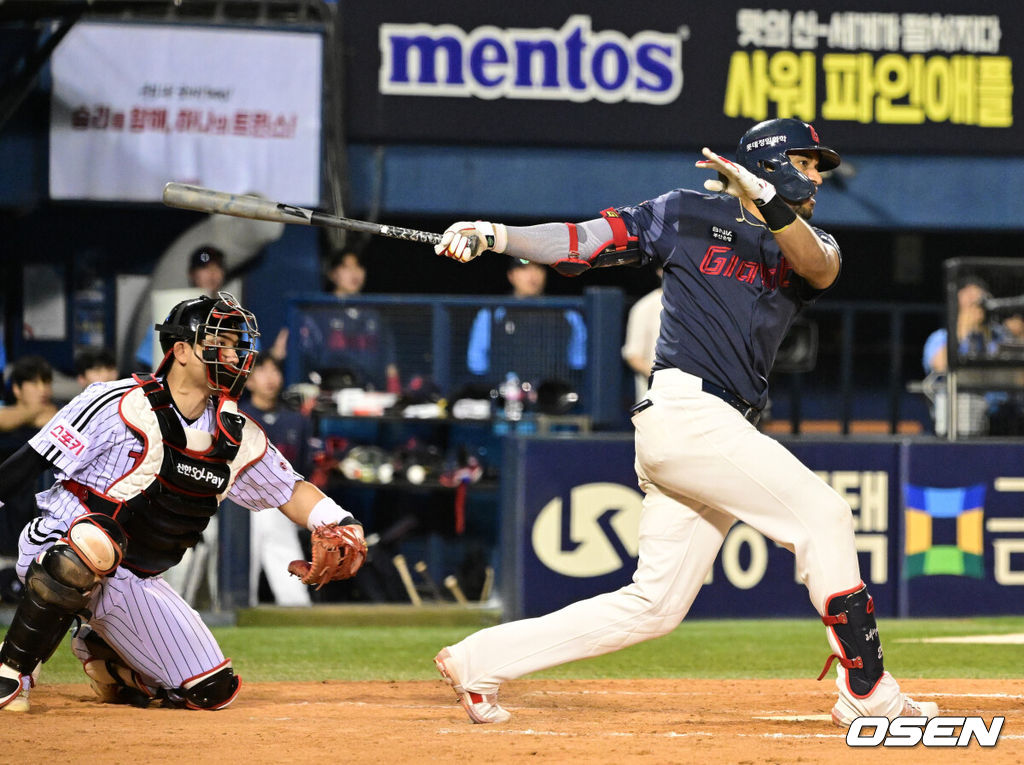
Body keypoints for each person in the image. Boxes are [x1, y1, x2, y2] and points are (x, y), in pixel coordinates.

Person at [431, 118, 937, 727]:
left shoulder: (807, 240)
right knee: (823, 515)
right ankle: (869, 690)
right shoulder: (682, 213)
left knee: (655, 606)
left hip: (717, 426)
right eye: (805, 163)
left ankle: (478, 659)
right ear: (772, 162)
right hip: (688, 411)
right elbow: (581, 240)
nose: (817, 177)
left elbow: (819, 267)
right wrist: (494, 235)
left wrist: (772, 199)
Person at [0, 292, 366, 712]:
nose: (232, 355)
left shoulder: (236, 434)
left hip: (133, 578)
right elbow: (28, 463)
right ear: (181, 351)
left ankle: (104, 653)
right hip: (60, 547)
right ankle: (12, 668)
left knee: (212, 691)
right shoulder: (117, 401)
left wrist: (342, 521)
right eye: (218, 343)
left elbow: (291, 491)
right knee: (94, 542)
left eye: (234, 344)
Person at [239, 355, 314, 607]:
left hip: (280, 504)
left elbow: (303, 466)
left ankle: (296, 610)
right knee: (238, 566)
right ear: (248, 381)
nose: (270, 377)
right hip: (239, 505)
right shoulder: (237, 416)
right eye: (261, 371)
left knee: (286, 563)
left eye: (274, 371)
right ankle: (235, 608)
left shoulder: (296, 420)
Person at [284, 250, 401, 392]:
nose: (354, 272)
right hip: (327, 392)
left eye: (358, 266)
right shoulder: (317, 313)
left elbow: (390, 364)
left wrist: (395, 392)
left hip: (369, 393)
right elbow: (303, 359)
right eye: (346, 267)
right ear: (332, 274)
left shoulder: (375, 314)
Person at [466, 258, 587, 391]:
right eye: (524, 268)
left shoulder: (566, 314)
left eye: (538, 268)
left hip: (552, 398)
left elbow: (578, 360)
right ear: (511, 275)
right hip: (506, 397)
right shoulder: (492, 313)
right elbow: (476, 363)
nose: (532, 275)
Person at [922, 276, 998, 436]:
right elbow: (941, 365)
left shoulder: (997, 337)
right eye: (968, 301)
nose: (974, 307)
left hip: (1001, 418)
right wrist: (963, 329)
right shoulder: (941, 337)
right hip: (958, 421)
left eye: (978, 301)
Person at [134, 246, 230, 370]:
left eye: (217, 267)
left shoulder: (232, 313)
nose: (212, 273)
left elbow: (248, 357)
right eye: (205, 268)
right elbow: (147, 360)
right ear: (192, 274)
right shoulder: (175, 311)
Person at [620, 268, 663, 401]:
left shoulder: (699, 307)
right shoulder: (644, 307)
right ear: (660, 271)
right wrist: (665, 380)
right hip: (656, 399)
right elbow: (633, 355)